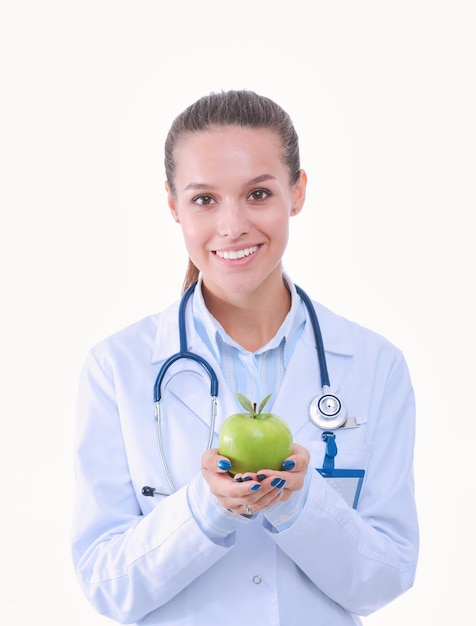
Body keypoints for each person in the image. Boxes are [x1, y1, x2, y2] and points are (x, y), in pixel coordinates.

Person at [72, 90, 419, 625]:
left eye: (258, 193)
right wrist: (206, 510)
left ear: (297, 192)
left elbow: (387, 575)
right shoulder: (116, 368)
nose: (232, 226)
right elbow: (107, 584)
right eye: (204, 200)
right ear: (172, 205)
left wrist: (302, 504)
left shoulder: (375, 365)